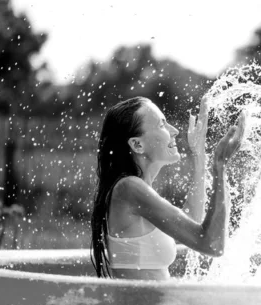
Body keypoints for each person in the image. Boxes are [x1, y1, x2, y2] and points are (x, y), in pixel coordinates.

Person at [90, 96, 245, 280]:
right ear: (137, 144)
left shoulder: (132, 189)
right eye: (162, 125)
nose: (175, 131)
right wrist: (219, 166)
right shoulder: (129, 188)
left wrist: (199, 152)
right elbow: (212, 245)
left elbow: (192, 219)